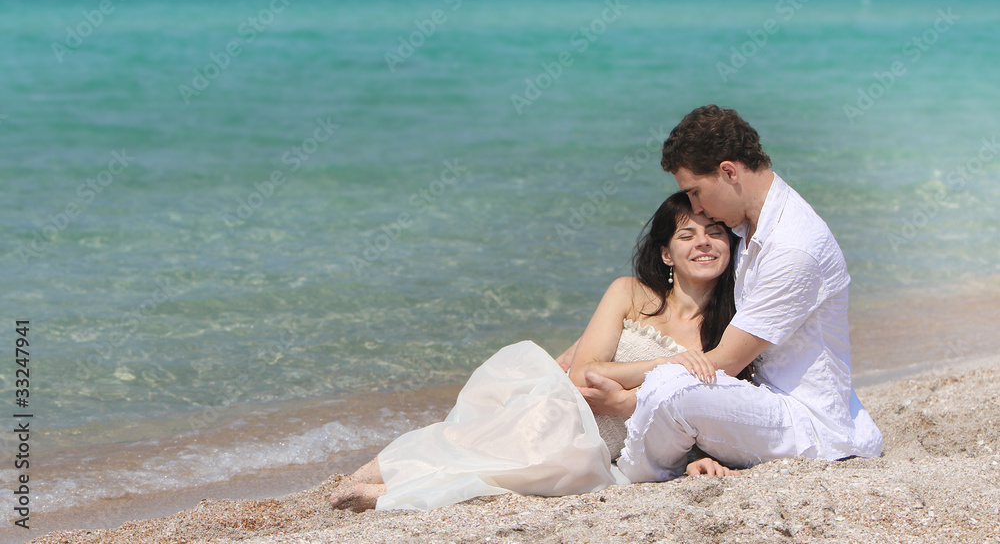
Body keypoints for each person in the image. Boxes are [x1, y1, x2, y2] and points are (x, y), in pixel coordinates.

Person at [330, 192, 744, 512]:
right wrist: (668, 364)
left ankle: (390, 491)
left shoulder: (729, 335)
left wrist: (700, 458)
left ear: (731, 246)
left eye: (715, 233)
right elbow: (585, 375)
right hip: (564, 407)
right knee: (487, 441)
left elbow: (706, 410)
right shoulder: (630, 293)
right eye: (687, 235)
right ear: (666, 253)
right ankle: (375, 480)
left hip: (608, 454)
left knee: (514, 473)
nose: (703, 244)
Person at [583, 105, 883, 482]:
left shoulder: (792, 247)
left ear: (728, 172)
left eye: (695, 192)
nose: (696, 207)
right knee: (675, 379)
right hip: (761, 399)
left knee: (674, 388)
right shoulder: (747, 229)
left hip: (807, 422)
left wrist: (627, 401)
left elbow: (723, 363)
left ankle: (630, 476)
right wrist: (585, 350)